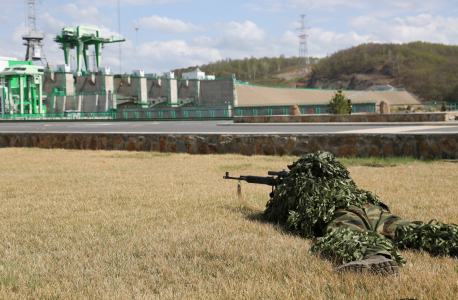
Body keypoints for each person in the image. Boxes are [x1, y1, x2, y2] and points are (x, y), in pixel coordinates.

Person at [262, 152, 458, 276]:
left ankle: (376, 258)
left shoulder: (303, 186)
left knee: (348, 234)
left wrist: (279, 193)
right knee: (411, 230)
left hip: (346, 214)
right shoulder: (344, 183)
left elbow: (279, 214)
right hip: (374, 209)